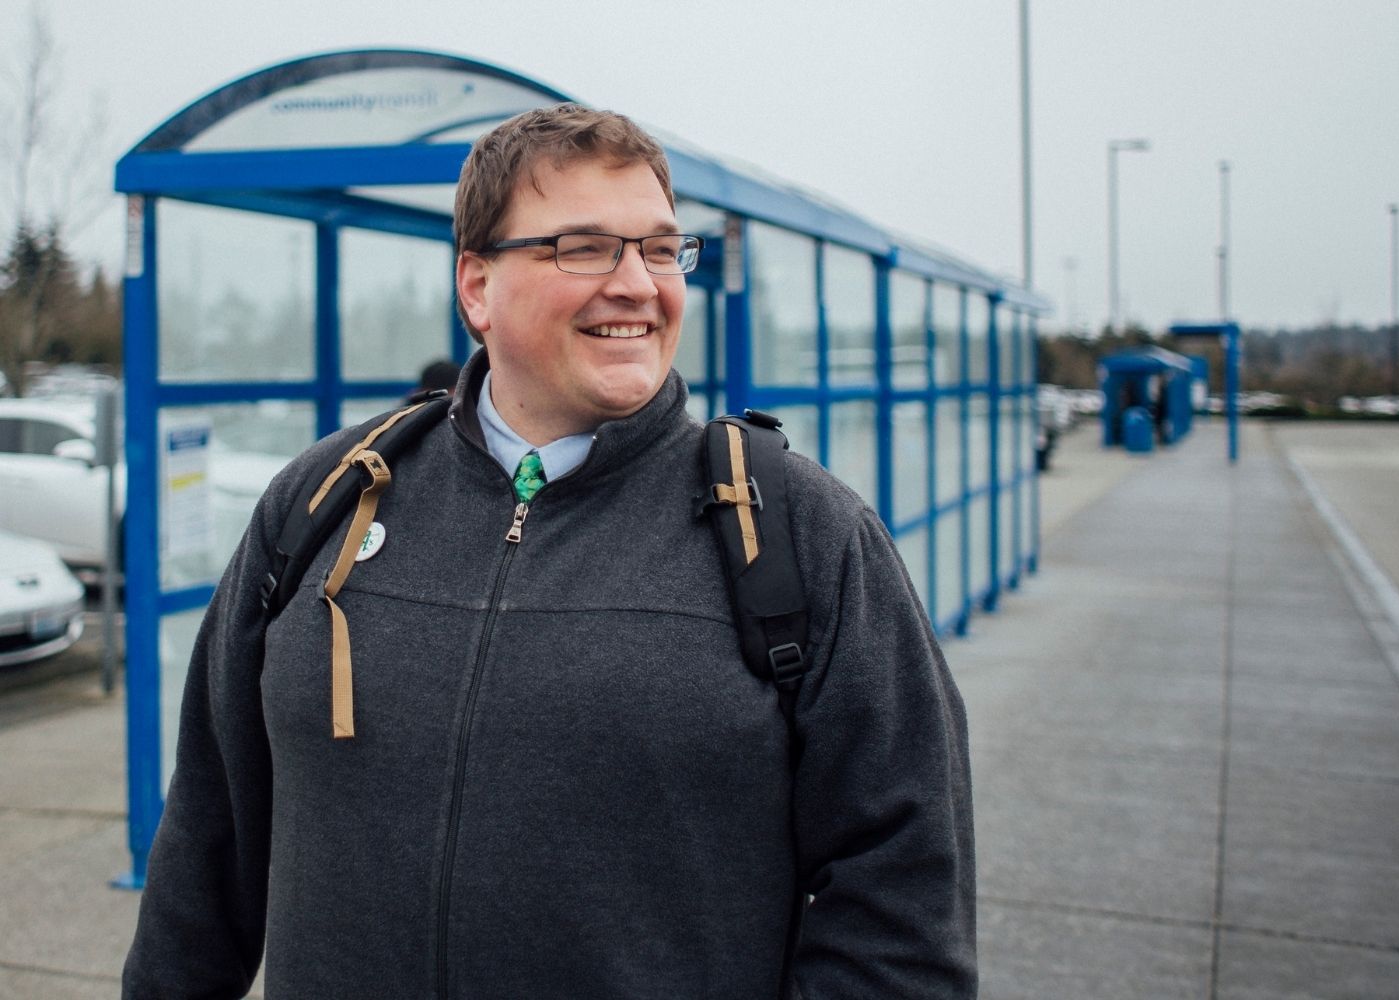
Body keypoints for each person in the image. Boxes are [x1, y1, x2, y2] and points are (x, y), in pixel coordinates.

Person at [123, 103, 976, 999]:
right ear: (477, 287)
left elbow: (903, 913)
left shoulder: (800, 531)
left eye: (658, 248)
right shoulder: (322, 500)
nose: (638, 284)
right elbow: (205, 849)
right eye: (584, 247)